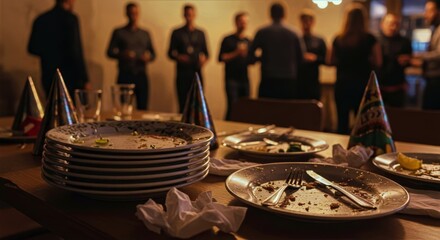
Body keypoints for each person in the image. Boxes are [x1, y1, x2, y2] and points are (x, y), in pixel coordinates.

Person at [327, 3, 382, 134]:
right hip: (362, 86)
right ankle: (361, 152)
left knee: (342, 122)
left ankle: (341, 152)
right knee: (362, 124)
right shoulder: (370, 39)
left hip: (342, 84)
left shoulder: (339, 39)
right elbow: (378, 62)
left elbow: (329, 61)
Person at [28, 0, 89, 98]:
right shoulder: (71, 19)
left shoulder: (41, 19)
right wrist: (84, 79)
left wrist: (49, 53)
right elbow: (76, 51)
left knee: (53, 108)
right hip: (70, 76)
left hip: (48, 74)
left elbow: (32, 48)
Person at [249, 2, 304, 99]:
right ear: (284, 14)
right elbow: (301, 57)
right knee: (286, 110)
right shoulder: (294, 33)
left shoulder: (262, 32)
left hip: (268, 77)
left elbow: (250, 55)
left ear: (270, 14)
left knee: (267, 110)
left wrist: (261, 58)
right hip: (289, 78)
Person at [107, 2, 156, 110]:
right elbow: (109, 52)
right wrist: (122, 54)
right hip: (125, 74)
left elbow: (153, 54)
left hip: (141, 74)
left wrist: (147, 58)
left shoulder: (145, 33)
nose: (134, 16)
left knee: (143, 107)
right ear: (127, 14)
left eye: (136, 13)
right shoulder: (119, 32)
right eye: (131, 13)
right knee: (124, 108)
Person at [168, 4, 209, 113]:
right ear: (184, 15)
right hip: (182, 73)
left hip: (197, 72)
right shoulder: (176, 32)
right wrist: (179, 57)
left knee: (198, 104)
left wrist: (203, 60)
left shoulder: (200, 33)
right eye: (187, 15)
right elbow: (170, 53)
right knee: (182, 103)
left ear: (194, 15)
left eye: (191, 14)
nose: (189, 17)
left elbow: (207, 53)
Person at [218, 12, 251, 120]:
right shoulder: (228, 39)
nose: (243, 24)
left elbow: (252, 60)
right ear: (236, 22)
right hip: (231, 79)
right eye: (241, 22)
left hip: (244, 79)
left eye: (245, 22)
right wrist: (236, 53)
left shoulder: (248, 41)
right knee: (232, 106)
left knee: (245, 107)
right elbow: (221, 58)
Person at [377, 13, 412, 108]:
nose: (393, 27)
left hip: (398, 88)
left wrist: (407, 61)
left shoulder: (405, 42)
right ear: (382, 24)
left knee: (397, 119)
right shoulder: (376, 41)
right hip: (378, 88)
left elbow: (409, 61)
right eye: (390, 23)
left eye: (396, 24)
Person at [412, 0, 440, 110]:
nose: (425, 14)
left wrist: (418, 55)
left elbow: (439, 54)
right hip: (432, 79)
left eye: (429, 11)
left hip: (437, 81)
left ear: (438, 12)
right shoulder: (435, 28)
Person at [298, 9, 327, 100]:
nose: (306, 23)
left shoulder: (319, 40)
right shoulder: (297, 39)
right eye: (304, 20)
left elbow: (326, 60)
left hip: (313, 81)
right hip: (298, 81)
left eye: (308, 20)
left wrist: (315, 58)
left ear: (313, 22)